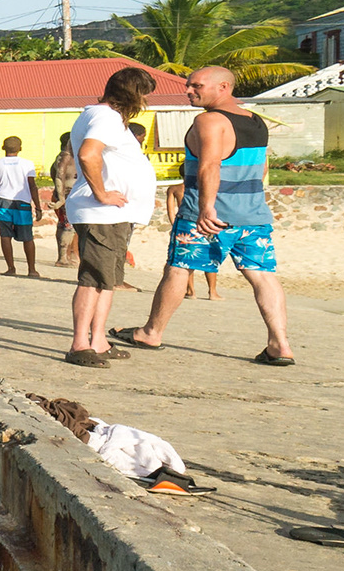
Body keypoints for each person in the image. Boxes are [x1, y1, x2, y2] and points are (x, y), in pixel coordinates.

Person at [114, 65, 294, 364]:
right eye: (189, 85)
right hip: (251, 214)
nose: (188, 90)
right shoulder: (256, 122)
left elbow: (209, 165)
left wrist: (206, 207)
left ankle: (151, 332)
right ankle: (280, 344)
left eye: (196, 86)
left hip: (207, 215)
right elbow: (262, 168)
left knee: (179, 268)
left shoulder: (209, 120)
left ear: (223, 87)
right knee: (263, 276)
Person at [63, 66, 158, 367]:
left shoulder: (104, 116)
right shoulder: (106, 117)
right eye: (144, 95)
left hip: (113, 214)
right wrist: (102, 193)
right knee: (92, 279)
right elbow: (88, 154)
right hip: (101, 212)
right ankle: (80, 344)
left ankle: (99, 340)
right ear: (133, 95)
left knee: (107, 280)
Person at [0, 136, 42, 277]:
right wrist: (38, 207)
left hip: (3, 202)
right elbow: (32, 186)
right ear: (20, 148)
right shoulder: (28, 164)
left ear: (3, 148)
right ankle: (32, 270)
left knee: (5, 235)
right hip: (23, 203)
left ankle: (11, 268)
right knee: (28, 238)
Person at [161, 181, 222, 300]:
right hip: (206, 222)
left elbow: (171, 210)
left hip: (186, 222)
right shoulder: (207, 186)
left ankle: (190, 290)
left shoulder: (175, 189)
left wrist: (175, 225)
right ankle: (212, 292)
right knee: (210, 257)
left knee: (186, 259)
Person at [49, 131, 78, 266]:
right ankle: (62, 258)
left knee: (64, 225)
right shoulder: (65, 157)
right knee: (68, 226)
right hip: (67, 195)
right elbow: (58, 176)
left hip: (64, 195)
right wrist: (61, 198)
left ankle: (68, 255)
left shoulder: (66, 157)